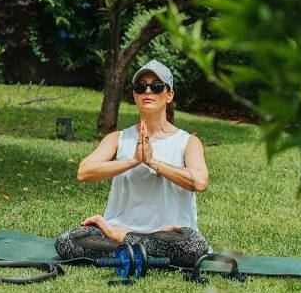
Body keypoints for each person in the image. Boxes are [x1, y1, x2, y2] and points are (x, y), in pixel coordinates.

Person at [55, 59, 211, 268]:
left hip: (169, 236)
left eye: (156, 87)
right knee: (68, 241)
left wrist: (153, 162)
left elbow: (200, 182)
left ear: (169, 95)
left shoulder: (188, 142)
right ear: (135, 95)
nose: (148, 91)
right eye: (141, 87)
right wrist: (133, 161)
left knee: (193, 245)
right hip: (119, 230)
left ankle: (125, 244)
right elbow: (84, 172)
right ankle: (144, 251)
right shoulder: (118, 138)